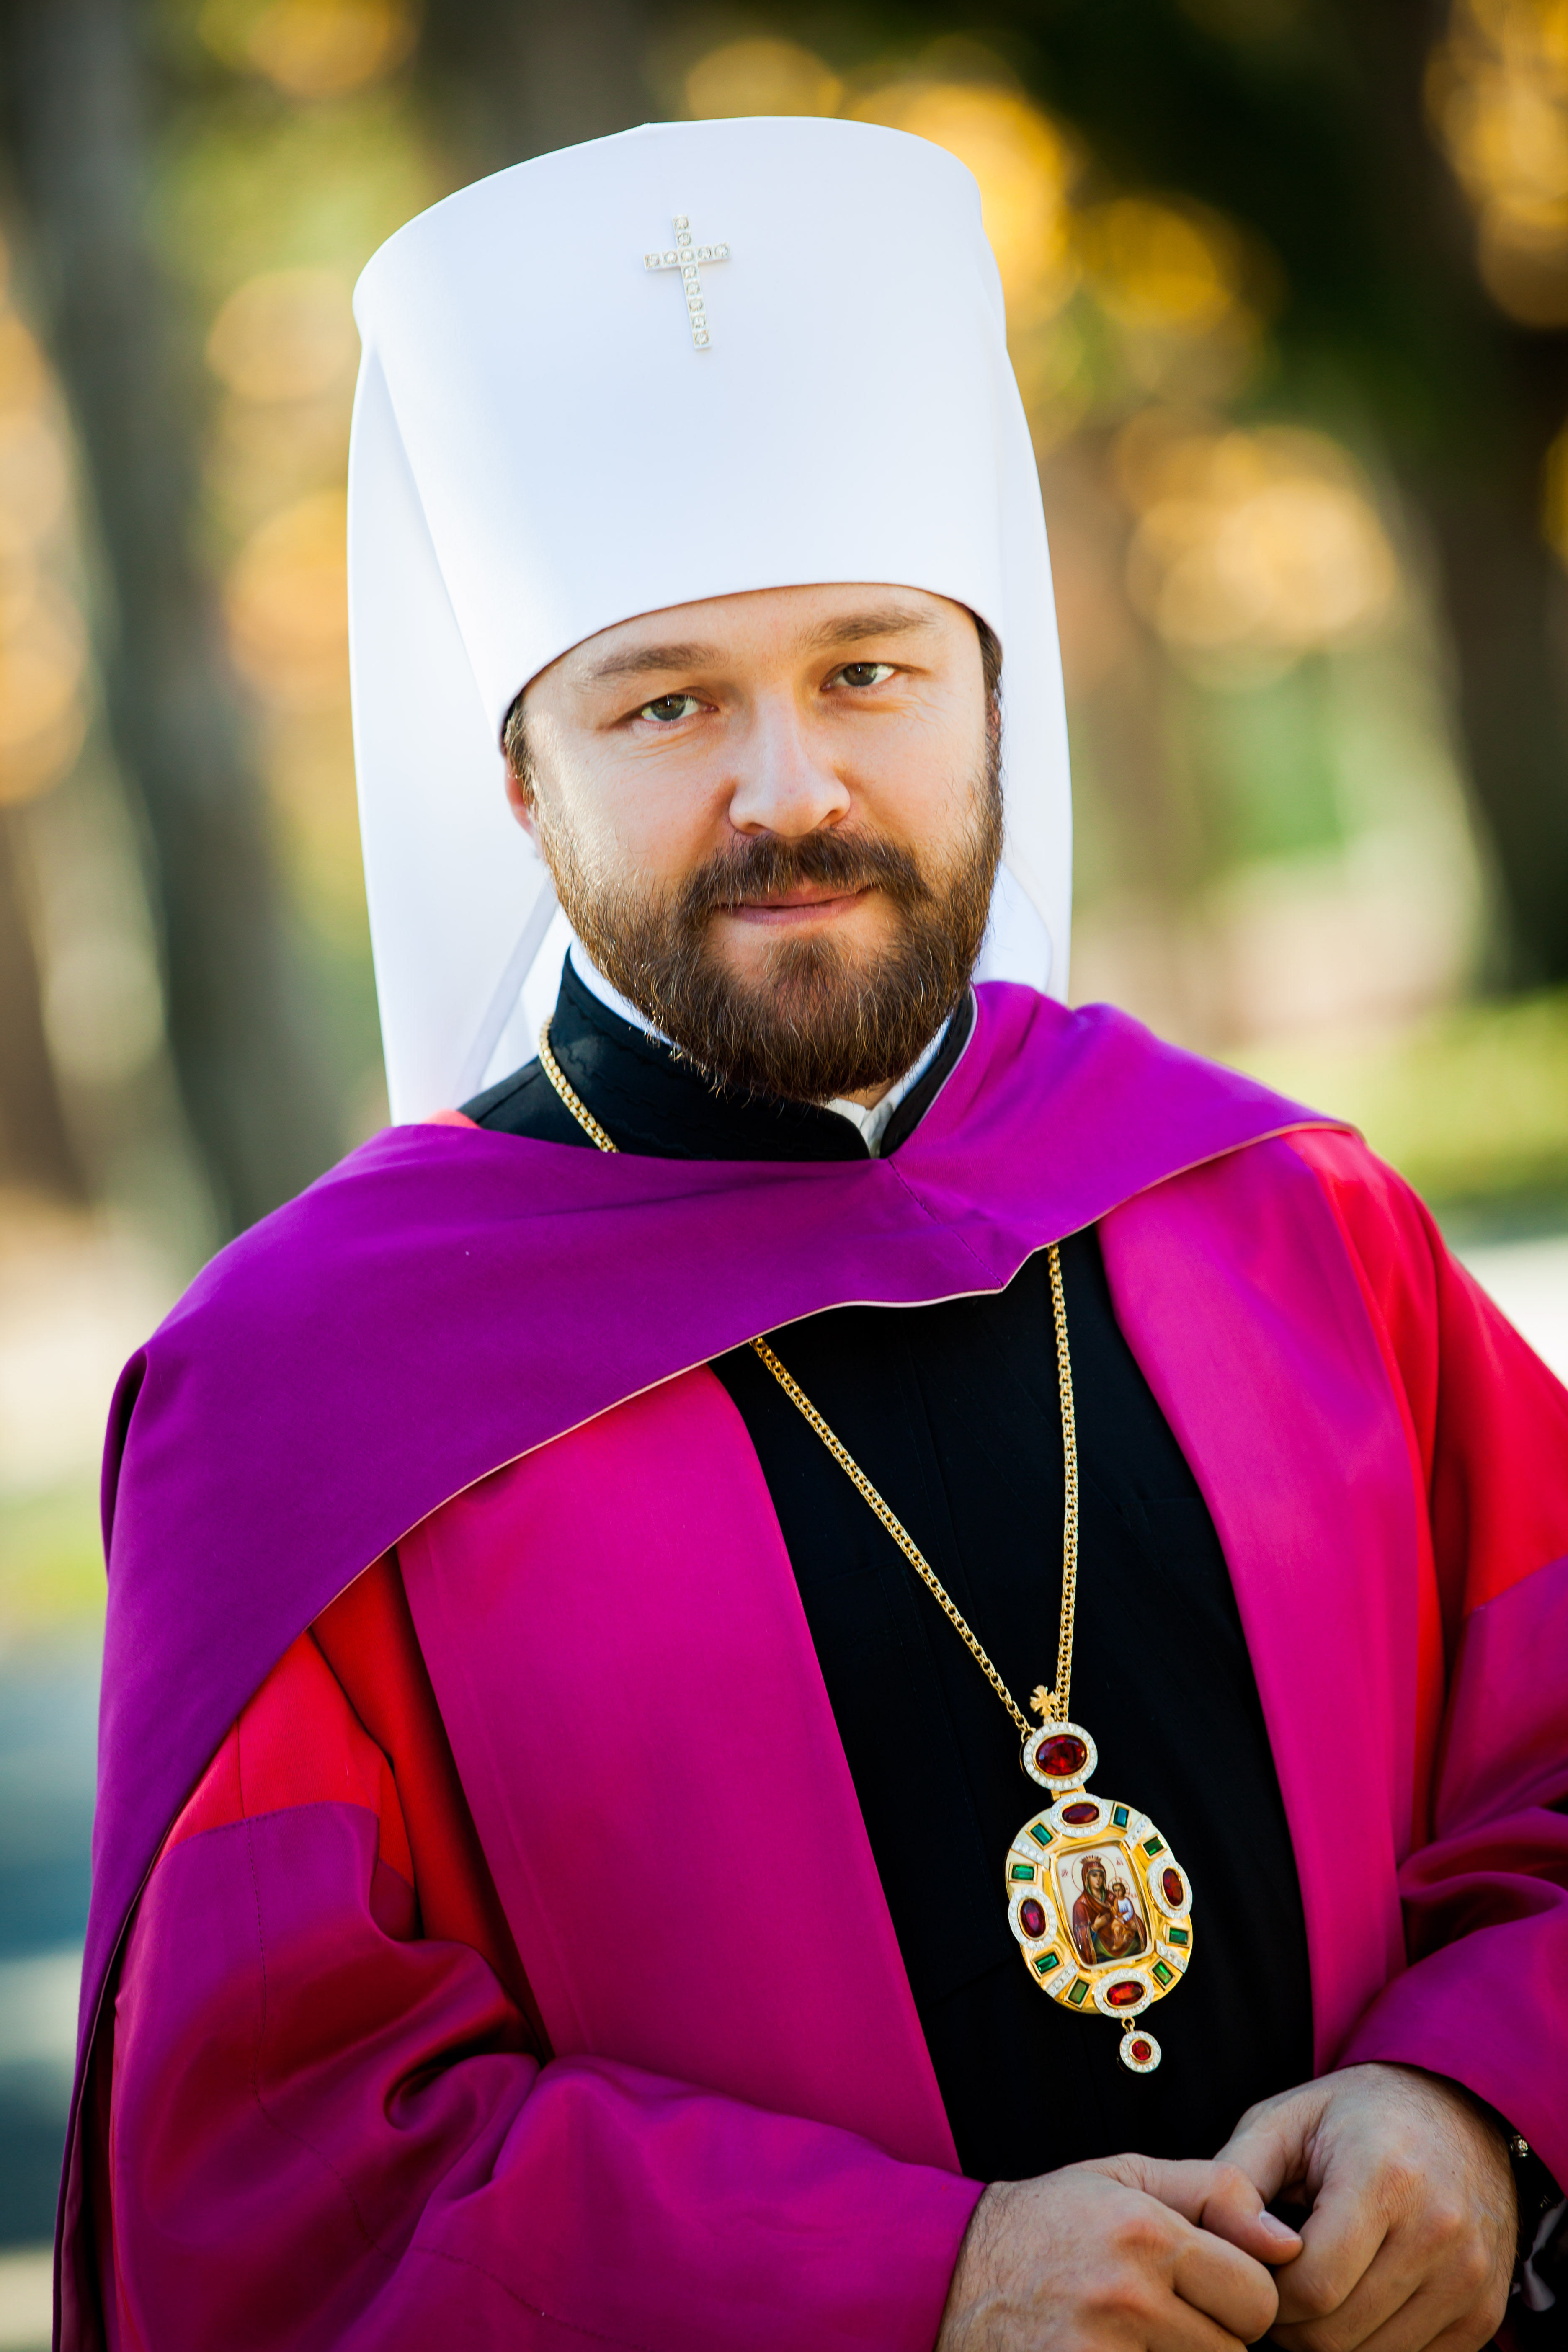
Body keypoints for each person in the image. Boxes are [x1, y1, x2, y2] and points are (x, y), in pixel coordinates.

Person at [57, 118, 1565, 2352]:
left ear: (987, 707)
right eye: (667, 702)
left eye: (870, 671)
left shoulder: (1289, 1217)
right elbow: (275, 2168)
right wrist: (902, 2284)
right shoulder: (293, 1404)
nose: (792, 792)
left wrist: (1475, 2104)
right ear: (515, 782)